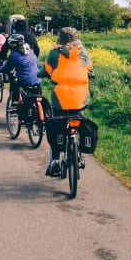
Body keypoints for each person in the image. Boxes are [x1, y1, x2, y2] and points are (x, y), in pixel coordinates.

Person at [39, 27, 93, 177]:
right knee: (79, 118)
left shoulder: (54, 54)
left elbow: (45, 71)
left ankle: (55, 161)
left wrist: (41, 74)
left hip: (60, 99)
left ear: (60, 39)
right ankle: (78, 149)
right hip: (80, 99)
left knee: (56, 126)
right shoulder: (83, 53)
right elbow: (91, 71)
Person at [0, 33, 41, 104]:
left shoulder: (14, 55)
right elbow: (37, 64)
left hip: (24, 81)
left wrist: (0, 69)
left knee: (15, 82)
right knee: (38, 96)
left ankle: (15, 102)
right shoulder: (31, 51)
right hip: (37, 80)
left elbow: (7, 68)